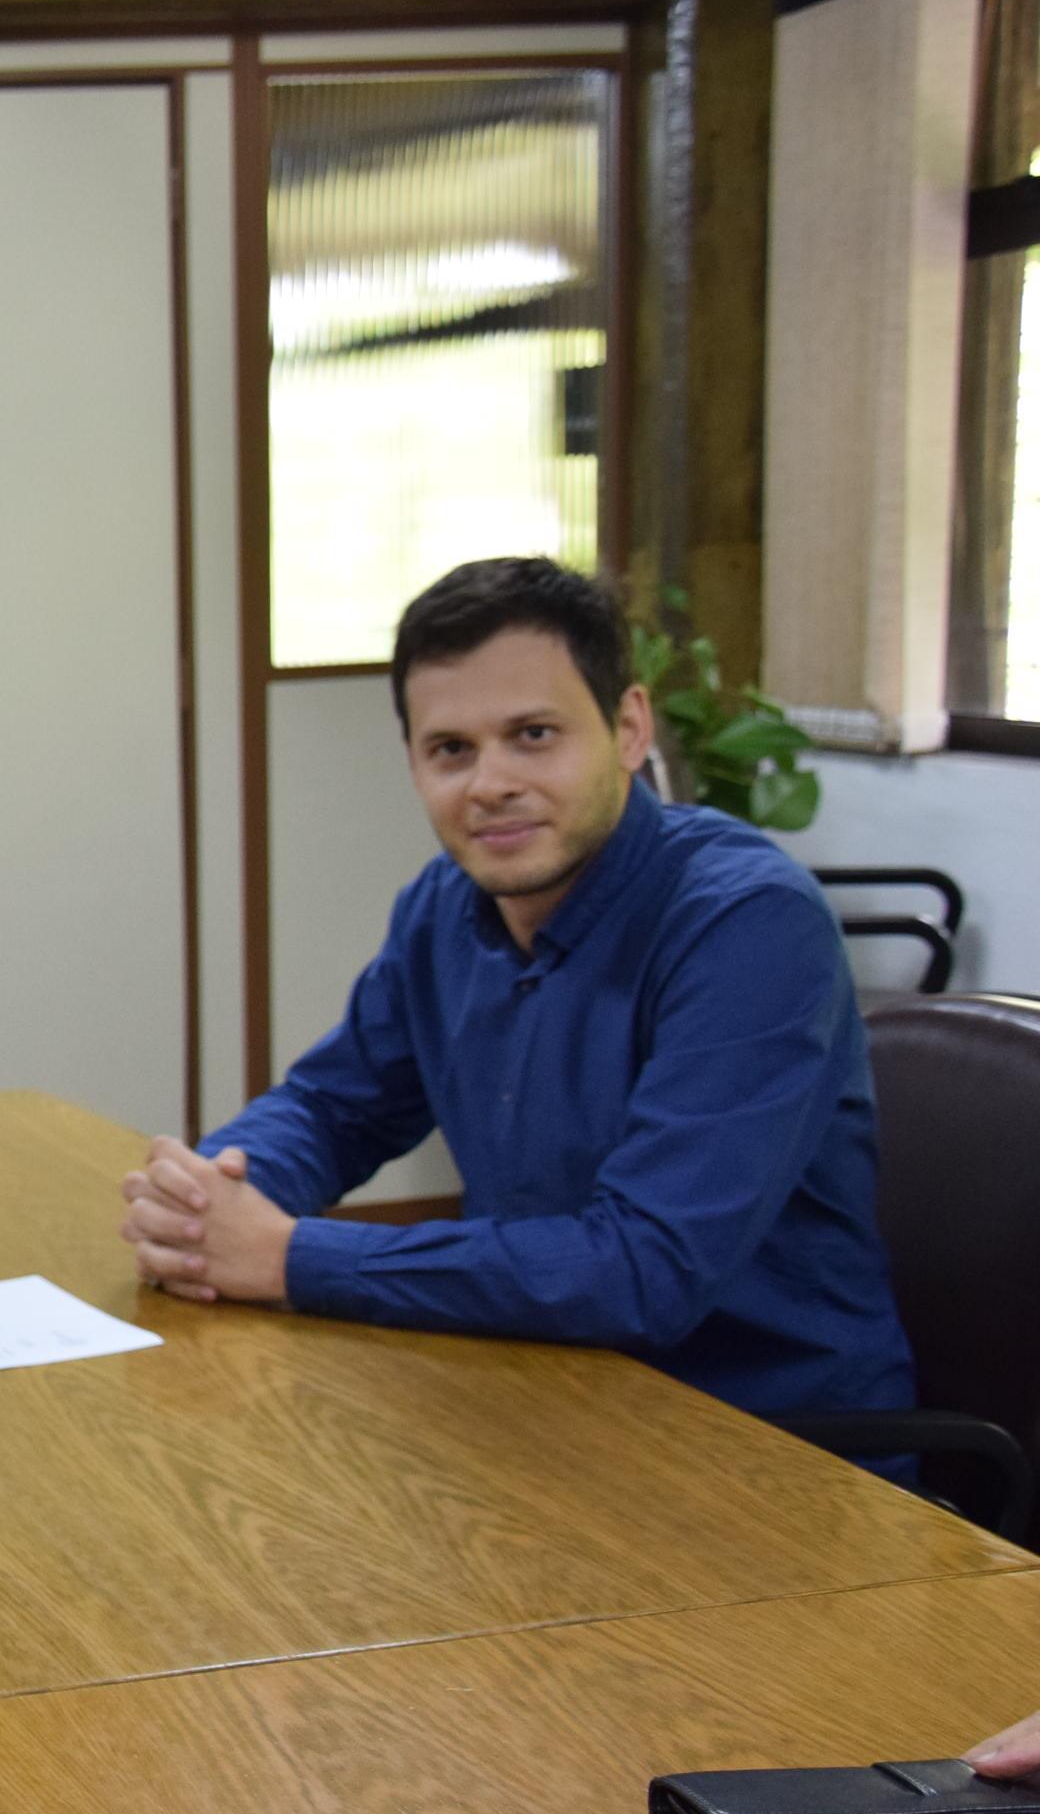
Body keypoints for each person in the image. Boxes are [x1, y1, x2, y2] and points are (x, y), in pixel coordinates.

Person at [115, 557, 913, 1422]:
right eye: (451, 749)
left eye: (534, 734)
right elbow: (333, 1107)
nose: (490, 783)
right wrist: (210, 1199)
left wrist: (286, 1256)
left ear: (630, 728)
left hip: (774, 1451)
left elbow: (644, 1271)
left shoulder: (748, 926)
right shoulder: (446, 905)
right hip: (547, 1400)